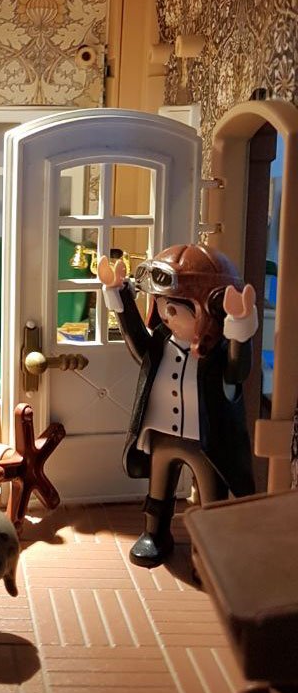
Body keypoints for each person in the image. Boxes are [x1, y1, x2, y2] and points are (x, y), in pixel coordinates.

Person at [98, 243, 257, 568]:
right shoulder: (161, 343)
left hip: (205, 441)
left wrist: (240, 329)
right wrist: (119, 293)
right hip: (161, 434)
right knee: (158, 489)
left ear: (208, 310)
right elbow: (136, 339)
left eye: (175, 308)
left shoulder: (217, 355)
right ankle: (155, 534)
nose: (166, 315)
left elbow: (238, 371)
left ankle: (209, 551)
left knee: (211, 499)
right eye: (161, 305)